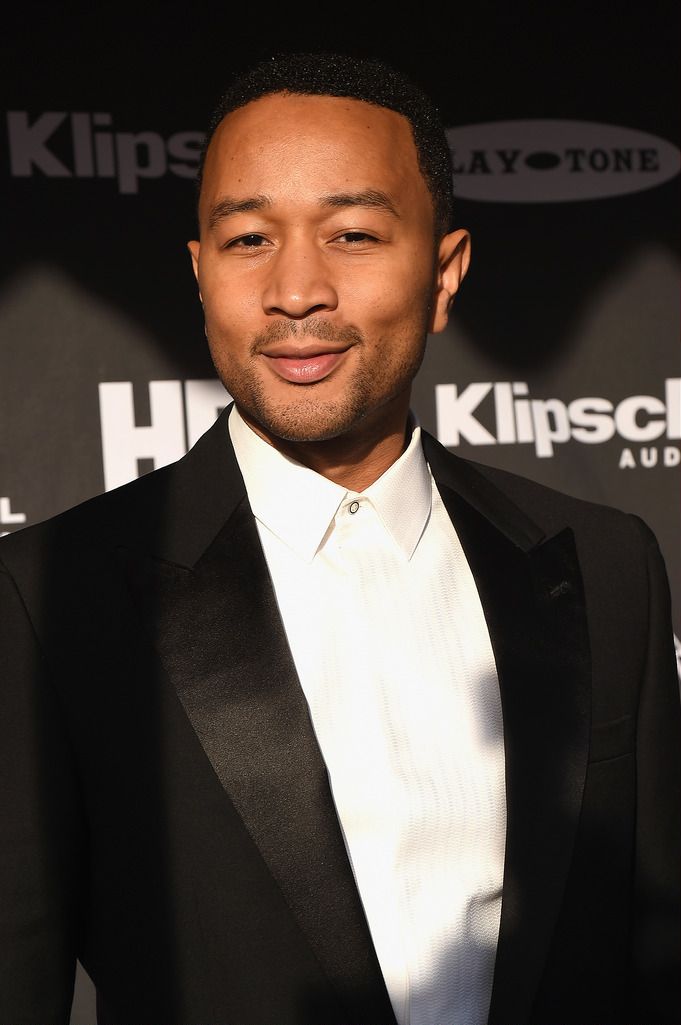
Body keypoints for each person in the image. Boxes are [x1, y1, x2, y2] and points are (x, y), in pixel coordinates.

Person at [0, 52, 678, 1025]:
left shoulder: (609, 565)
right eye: (247, 239)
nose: (295, 289)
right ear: (199, 274)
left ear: (445, 273)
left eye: (353, 232)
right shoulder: (50, 596)